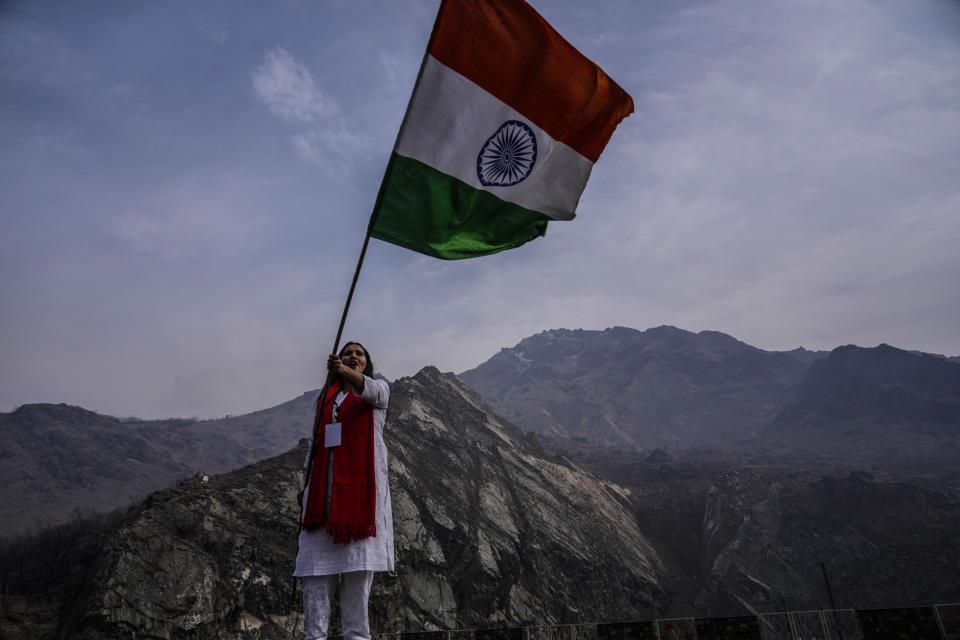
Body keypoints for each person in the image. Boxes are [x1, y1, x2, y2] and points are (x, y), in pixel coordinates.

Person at [294, 342, 393, 640]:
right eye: (348, 352)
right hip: (321, 506)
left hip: (360, 509)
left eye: (359, 354)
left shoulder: (375, 393)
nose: (353, 356)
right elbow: (314, 445)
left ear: (366, 363)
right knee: (315, 581)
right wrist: (306, 483)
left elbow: (377, 393)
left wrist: (344, 371)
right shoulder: (325, 399)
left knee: (356, 590)